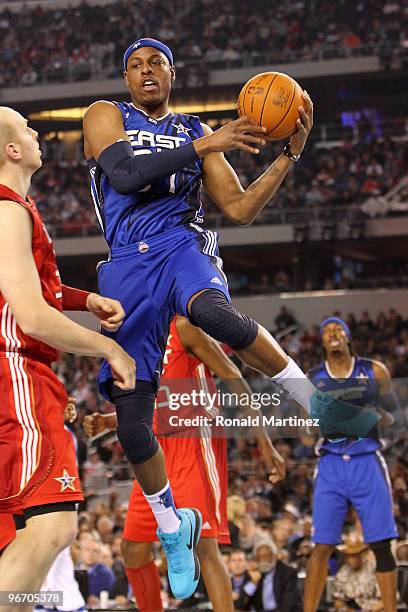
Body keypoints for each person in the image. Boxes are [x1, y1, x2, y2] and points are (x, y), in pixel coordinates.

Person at [83, 36, 378, 599]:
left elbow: (239, 209)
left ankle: (316, 405)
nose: (146, 72)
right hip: (126, 264)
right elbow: (123, 177)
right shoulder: (104, 115)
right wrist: (204, 146)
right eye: (135, 67)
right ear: (126, 80)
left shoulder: (196, 130)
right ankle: (173, 525)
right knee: (130, 421)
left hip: (180, 244)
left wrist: (288, 154)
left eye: (157, 65)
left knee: (214, 314)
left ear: (173, 75)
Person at [0, 106, 135, 601]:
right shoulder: (7, 209)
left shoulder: (15, 209)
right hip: (14, 370)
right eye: (29, 130)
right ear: (13, 150)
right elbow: (31, 317)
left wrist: (84, 299)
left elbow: (25, 287)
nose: (38, 136)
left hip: (17, 375)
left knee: (18, 535)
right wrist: (108, 347)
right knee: (52, 528)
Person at [84, 315, 286, 611]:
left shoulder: (184, 327)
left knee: (204, 544)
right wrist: (108, 420)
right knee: (132, 549)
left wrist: (264, 440)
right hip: (155, 450)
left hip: (194, 439)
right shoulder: (139, 337)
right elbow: (153, 403)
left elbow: (234, 377)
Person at [304, 317, 399, 612]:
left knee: (382, 544)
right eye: (326, 331)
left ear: (347, 336)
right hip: (331, 465)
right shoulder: (313, 378)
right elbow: (305, 435)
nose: (332, 333)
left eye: (338, 329)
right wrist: (311, 427)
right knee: (321, 546)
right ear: (321, 342)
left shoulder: (374, 370)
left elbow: (397, 417)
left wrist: (382, 418)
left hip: (367, 461)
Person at [235, 540, 302, 611]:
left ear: (275, 556)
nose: (264, 560)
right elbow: (240, 605)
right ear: (255, 559)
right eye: (260, 556)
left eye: (267, 555)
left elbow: (288, 605)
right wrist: (253, 583)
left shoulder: (287, 573)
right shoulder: (253, 573)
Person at [332, 537, 383, 611]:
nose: (351, 559)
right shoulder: (342, 572)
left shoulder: (375, 569)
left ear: (363, 554)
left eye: (355, 555)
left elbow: (387, 599)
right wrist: (345, 609)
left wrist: (371, 610)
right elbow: (338, 600)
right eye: (348, 556)